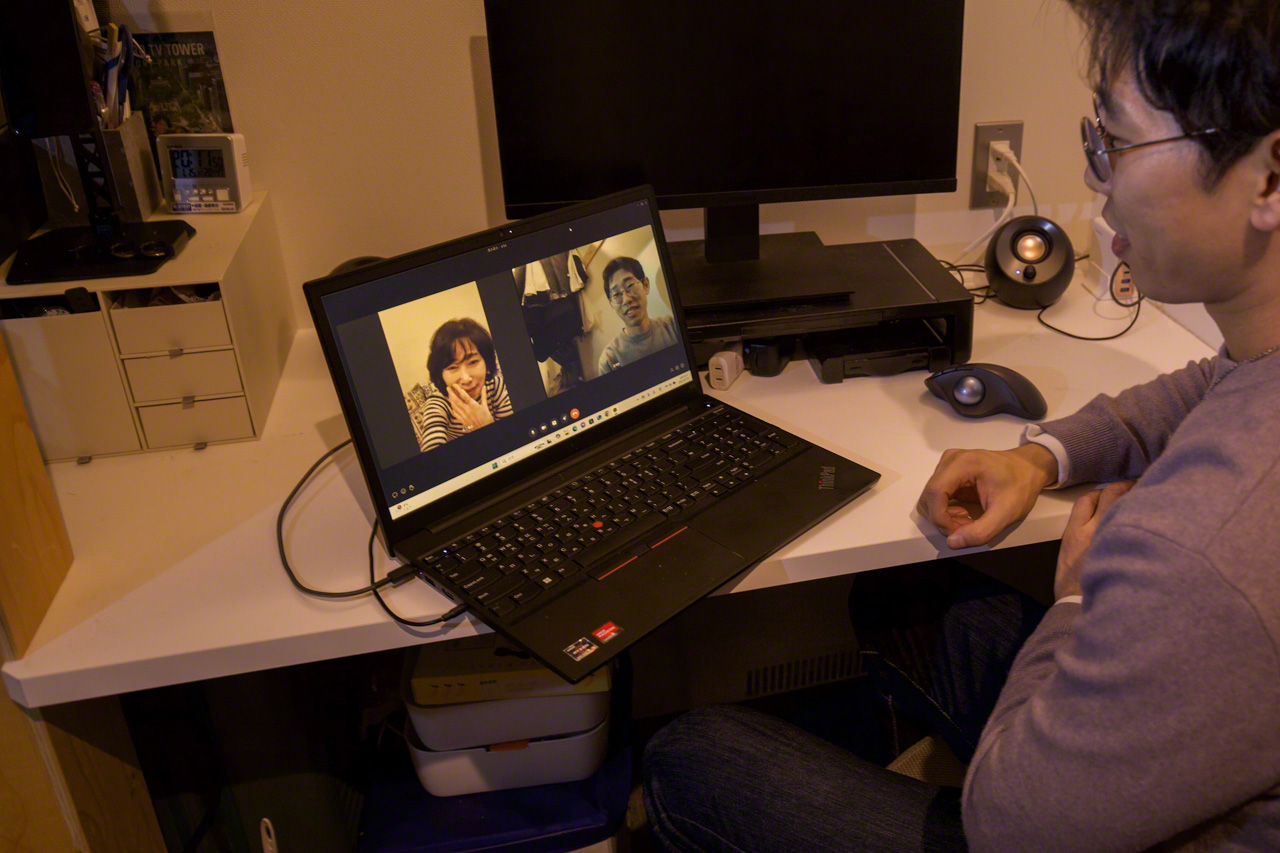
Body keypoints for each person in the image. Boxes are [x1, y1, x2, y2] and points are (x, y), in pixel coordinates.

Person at [641, 0, 1280, 849]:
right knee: (911, 591)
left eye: (1114, 144)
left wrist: (1079, 599)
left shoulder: (1193, 550)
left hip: (1036, 828)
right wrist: (1042, 459)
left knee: (690, 755)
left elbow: (1008, 827)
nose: (1095, 179)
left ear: (1269, 179)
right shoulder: (1259, 357)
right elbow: (1206, 383)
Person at [408, 318, 513, 452]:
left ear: (486, 363)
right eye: (452, 368)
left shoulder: (495, 387)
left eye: (473, 362)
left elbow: (513, 438)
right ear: (441, 375)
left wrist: (486, 426)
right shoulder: (439, 405)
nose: (466, 378)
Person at [596, 257, 679, 374]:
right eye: (616, 294)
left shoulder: (674, 327)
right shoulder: (609, 360)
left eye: (630, 286)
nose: (626, 299)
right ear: (612, 305)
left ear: (645, 285)